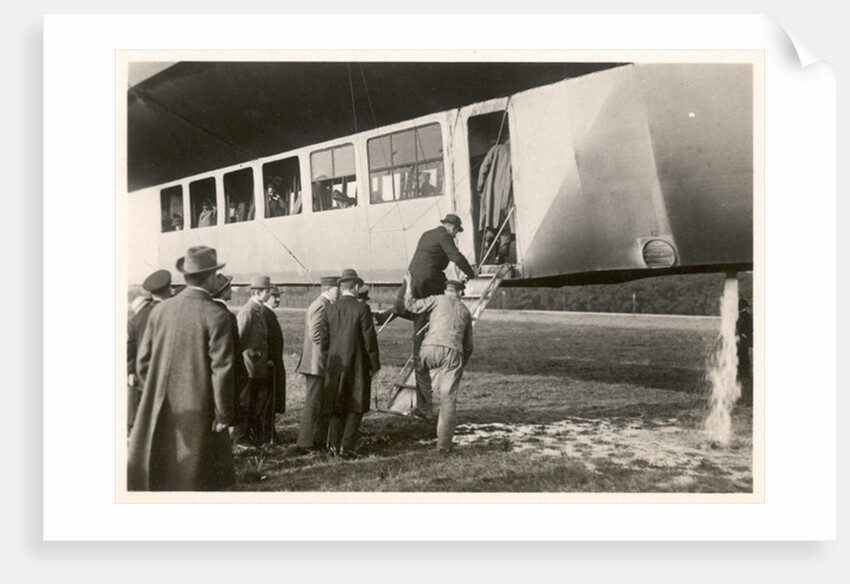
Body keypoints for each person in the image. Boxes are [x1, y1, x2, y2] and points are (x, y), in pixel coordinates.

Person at [127, 246, 235, 491]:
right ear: (209, 277)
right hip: (201, 409)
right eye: (216, 274)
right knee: (199, 478)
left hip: (159, 405)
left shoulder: (160, 310)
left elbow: (143, 362)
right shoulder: (216, 315)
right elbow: (222, 369)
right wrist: (223, 414)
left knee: (161, 470)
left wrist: (156, 392)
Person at [398, 214, 476, 415]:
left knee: (417, 317)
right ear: (451, 227)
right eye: (457, 231)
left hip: (413, 281)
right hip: (429, 282)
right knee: (440, 309)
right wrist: (471, 273)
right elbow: (456, 257)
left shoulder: (427, 234)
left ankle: (424, 402)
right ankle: (427, 406)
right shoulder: (444, 236)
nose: (456, 234)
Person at [404, 277, 473, 452]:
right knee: (448, 399)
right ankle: (444, 446)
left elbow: (410, 305)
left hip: (429, 349)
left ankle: (426, 408)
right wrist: (460, 364)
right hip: (454, 352)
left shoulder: (437, 299)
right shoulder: (465, 310)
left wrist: (409, 285)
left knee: (420, 369)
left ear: (446, 290)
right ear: (460, 293)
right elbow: (469, 346)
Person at [322, 269, 380, 459]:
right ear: (355, 287)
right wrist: (375, 365)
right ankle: (346, 448)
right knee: (356, 405)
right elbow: (369, 341)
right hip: (358, 365)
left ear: (341, 287)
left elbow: (324, 342)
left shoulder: (329, 309)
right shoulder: (362, 309)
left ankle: (333, 446)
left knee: (336, 404)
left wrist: (330, 361)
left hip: (335, 366)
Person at [295, 276, 340, 454]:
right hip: (317, 363)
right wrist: (331, 348)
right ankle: (304, 443)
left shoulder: (321, 303)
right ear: (328, 289)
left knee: (318, 403)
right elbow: (315, 334)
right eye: (337, 288)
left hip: (316, 363)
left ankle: (315, 440)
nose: (339, 291)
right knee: (313, 404)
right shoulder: (322, 304)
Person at [126, 269, 173, 436]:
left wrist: (131, 370)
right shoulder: (170, 313)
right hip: (165, 377)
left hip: (142, 378)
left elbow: (129, 347)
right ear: (169, 289)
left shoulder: (137, 317)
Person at [235, 275, 278, 445]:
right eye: (267, 290)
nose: (269, 293)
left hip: (258, 366)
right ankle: (240, 439)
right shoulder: (248, 311)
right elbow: (239, 340)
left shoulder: (258, 309)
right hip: (249, 366)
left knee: (257, 403)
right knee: (245, 402)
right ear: (257, 292)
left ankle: (251, 436)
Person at [211, 272, 248, 442]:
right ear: (223, 291)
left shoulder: (209, 311)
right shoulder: (227, 315)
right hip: (228, 370)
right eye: (229, 288)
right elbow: (234, 349)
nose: (232, 291)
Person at [477, 134, 514, 264]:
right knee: (507, 226)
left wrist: (480, 188)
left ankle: (489, 238)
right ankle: (501, 254)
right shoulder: (516, 150)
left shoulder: (496, 149)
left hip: (492, 192)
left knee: (491, 219)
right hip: (509, 193)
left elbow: (483, 169)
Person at [262, 286, 287, 420]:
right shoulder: (265, 313)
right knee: (268, 399)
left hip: (274, 363)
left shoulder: (268, 313)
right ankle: (267, 434)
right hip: (270, 364)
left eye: (279, 296)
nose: (277, 299)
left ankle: (270, 432)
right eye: (274, 296)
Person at [737, 297, 754, 406]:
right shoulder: (738, 316)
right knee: (738, 358)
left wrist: (742, 336)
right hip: (737, 342)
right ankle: (740, 373)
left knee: (744, 358)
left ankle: (745, 374)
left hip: (743, 342)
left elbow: (750, 329)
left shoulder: (747, 316)